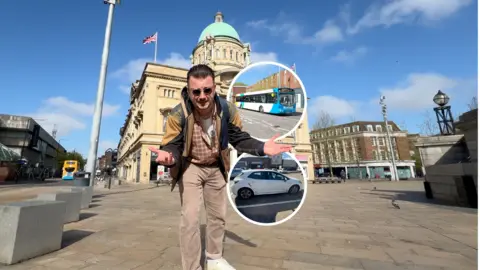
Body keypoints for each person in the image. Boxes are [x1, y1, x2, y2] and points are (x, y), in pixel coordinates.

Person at [149, 64, 292, 270]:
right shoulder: (178, 114)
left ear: (214, 88)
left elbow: (238, 138)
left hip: (216, 166)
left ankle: (214, 258)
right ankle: (191, 267)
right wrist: (170, 157)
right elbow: (173, 144)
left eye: (207, 90)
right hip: (191, 167)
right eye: (196, 91)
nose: (202, 96)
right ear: (189, 91)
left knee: (217, 216)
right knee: (190, 218)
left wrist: (261, 147)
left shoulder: (227, 109)